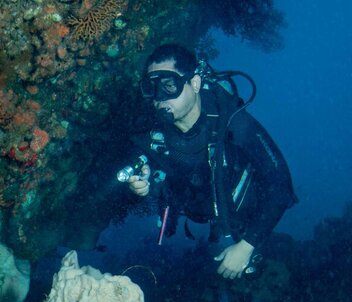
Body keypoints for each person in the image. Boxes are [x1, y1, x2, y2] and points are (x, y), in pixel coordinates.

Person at [126, 44, 296, 280]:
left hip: (240, 219)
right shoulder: (150, 130)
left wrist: (247, 246)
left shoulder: (234, 122)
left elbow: (281, 185)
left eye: (169, 85)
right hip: (191, 213)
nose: (159, 98)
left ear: (194, 83)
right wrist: (144, 183)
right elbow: (146, 165)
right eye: (151, 88)